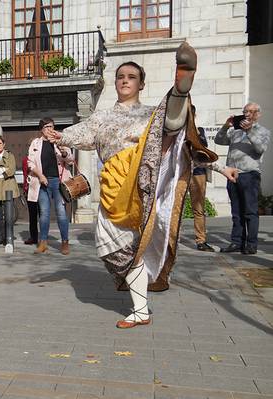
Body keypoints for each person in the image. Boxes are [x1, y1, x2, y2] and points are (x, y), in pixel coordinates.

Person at [46, 43, 236, 328]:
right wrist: (57, 136)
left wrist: (221, 167)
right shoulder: (102, 117)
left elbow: (183, 147)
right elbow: (76, 134)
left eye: (131, 76)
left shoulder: (148, 113)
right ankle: (141, 305)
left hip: (145, 177)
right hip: (114, 184)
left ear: (141, 84)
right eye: (121, 76)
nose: (125, 80)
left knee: (166, 126)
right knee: (111, 246)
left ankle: (180, 92)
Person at [216, 102, 270, 255]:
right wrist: (226, 126)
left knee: (250, 212)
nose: (247, 114)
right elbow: (219, 141)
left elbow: (260, 149)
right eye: (245, 111)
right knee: (236, 212)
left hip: (250, 175)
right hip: (233, 175)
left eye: (251, 112)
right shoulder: (235, 131)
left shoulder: (263, 131)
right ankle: (236, 242)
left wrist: (250, 131)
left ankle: (251, 244)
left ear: (258, 114)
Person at [27, 118, 74, 255]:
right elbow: (31, 163)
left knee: (61, 213)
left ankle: (65, 242)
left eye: (51, 126)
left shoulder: (60, 140)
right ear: (41, 129)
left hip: (58, 182)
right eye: (46, 126)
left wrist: (61, 147)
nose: (49, 129)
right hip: (42, 182)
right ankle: (43, 243)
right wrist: (40, 176)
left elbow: (70, 159)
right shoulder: (35, 143)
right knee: (44, 214)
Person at [187, 106, 214, 252]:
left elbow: (204, 151)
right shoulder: (177, 132)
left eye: (190, 114)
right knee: (173, 208)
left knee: (198, 208)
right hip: (181, 173)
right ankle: (170, 238)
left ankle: (201, 240)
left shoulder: (200, 131)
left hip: (198, 173)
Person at [0, 136, 21, 245]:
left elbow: (11, 170)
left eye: (0, 143)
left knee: (9, 215)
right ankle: (0, 236)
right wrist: (2, 170)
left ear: (4, 144)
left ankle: (8, 237)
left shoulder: (10, 156)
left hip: (8, 187)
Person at [21, 154, 39, 245]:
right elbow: (25, 175)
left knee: (43, 214)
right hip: (30, 189)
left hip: (42, 188)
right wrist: (25, 188)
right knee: (32, 215)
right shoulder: (26, 160)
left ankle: (43, 237)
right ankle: (33, 237)